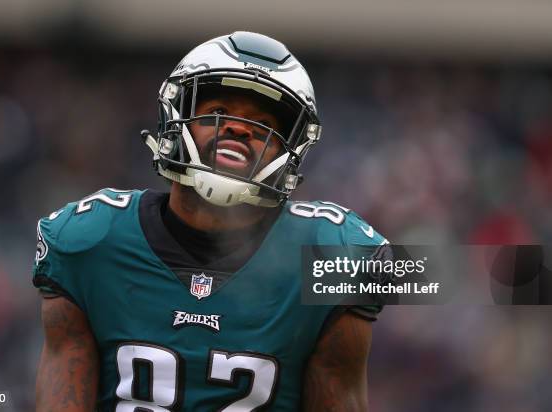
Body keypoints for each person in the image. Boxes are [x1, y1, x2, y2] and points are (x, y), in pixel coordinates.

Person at [33, 31, 387, 412]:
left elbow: (432, 276)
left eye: (263, 122)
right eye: (218, 113)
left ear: (293, 147)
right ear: (175, 118)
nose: (238, 129)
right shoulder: (92, 239)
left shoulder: (332, 255)